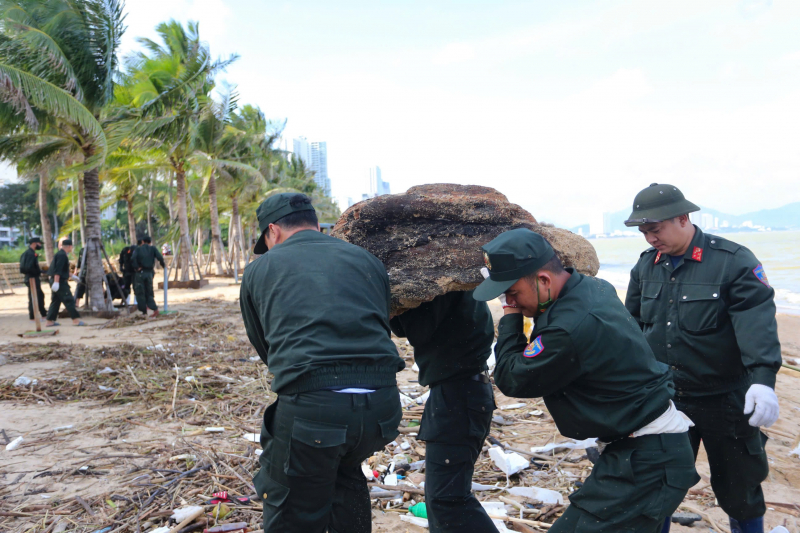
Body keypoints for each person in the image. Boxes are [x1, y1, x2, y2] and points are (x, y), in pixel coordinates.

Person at [475, 228, 699, 533]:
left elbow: (512, 378)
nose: (510, 300)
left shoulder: (567, 328)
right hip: (642, 448)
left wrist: (512, 316)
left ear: (543, 280)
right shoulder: (594, 287)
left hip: (649, 458)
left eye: (512, 293)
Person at [239, 193, 405, 533]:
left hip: (315, 411)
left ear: (273, 231)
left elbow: (266, 349)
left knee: (293, 509)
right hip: (382, 409)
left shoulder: (260, 270)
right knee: (346, 479)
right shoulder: (366, 260)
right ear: (317, 224)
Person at [624, 183, 782, 533]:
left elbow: (755, 323)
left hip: (724, 399)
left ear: (683, 218)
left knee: (740, 488)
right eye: (644, 232)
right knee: (656, 487)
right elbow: (631, 328)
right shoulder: (646, 266)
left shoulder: (732, 261)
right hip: (665, 400)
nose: (650, 238)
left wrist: (762, 380)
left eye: (656, 229)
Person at [389, 291, 496, 532]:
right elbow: (404, 328)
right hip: (461, 391)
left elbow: (418, 331)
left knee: (447, 499)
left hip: (459, 394)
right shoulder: (457, 288)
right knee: (444, 498)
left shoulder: (440, 288)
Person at [45, 239, 84, 327]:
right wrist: (56, 282)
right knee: (69, 299)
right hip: (59, 281)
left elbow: (63, 270)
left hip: (57, 280)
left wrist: (72, 276)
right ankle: (75, 320)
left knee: (55, 301)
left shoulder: (60, 254)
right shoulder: (62, 255)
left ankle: (49, 321)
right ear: (70, 246)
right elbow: (58, 270)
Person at [131, 235, 165, 318]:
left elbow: (132, 258)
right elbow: (160, 257)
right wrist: (163, 265)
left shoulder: (138, 249)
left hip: (140, 273)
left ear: (142, 241)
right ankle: (155, 309)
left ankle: (144, 312)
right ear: (150, 242)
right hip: (149, 273)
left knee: (140, 292)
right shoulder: (153, 249)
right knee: (149, 291)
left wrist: (137, 267)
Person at [19, 237, 46, 321]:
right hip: (32, 278)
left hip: (29, 277)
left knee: (35, 296)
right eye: (39, 243)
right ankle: (40, 316)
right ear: (34, 243)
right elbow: (29, 267)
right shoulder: (31, 254)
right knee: (37, 297)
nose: (40, 245)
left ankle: (36, 316)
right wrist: (38, 271)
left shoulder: (26, 253)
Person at [119, 238, 142, 302]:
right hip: (127, 271)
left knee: (136, 286)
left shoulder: (138, 251)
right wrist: (121, 267)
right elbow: (121, 259)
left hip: (135, 272)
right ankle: (126, 301)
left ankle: (135, 301)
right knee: (126, 286)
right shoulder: (125, 250)